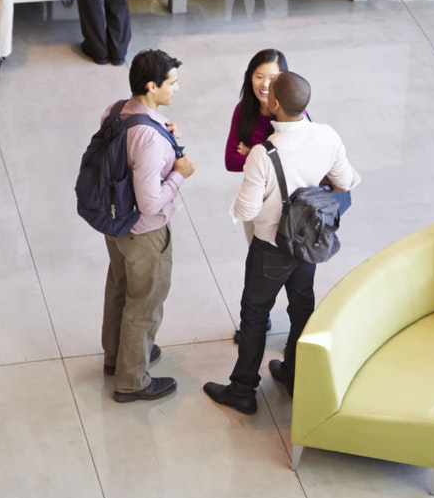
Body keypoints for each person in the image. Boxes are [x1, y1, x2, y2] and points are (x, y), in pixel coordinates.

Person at [204, 71, 359, 414]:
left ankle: (243, 390)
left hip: (270, 249)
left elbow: (246, 208)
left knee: (255, 314)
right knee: (302, 306)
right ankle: (293, 372)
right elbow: (346, 181)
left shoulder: (263, 153)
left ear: (274, 105)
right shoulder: (327, 136)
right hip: (308, 243)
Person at [103, 49, 193, 402]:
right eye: (172, 83)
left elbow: (125, 153)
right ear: (152, 86)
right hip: (144, 233)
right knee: (145, 303)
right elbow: (152, 202)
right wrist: (178, 175)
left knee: (119, 290)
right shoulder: (151, 140)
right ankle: (132, 380)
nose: (176, 89)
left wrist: (161, 131)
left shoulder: (115, 111)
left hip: (115, 223)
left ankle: (117, 357)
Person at [224, 48, 290, 173]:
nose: (265, 84)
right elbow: (231, 161)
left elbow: (291, 160)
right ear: (250, 78)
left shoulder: (291, 111)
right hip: (259, 187)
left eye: (272, 78)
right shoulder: (242, 109)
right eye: (259, 77)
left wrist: (253, 152)